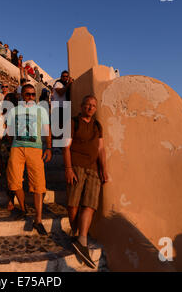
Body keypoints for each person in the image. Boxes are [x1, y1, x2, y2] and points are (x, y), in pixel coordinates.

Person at [63, 95, 109, 268]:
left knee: (90, 204)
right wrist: (68, 168)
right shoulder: (73, 122)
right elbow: (66, 147)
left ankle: (82, 239)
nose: (90, 108)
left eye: (93, 106)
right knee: (73, 204)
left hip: (93, 169)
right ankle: (75, 233)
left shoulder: (97, 126)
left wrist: (103, 169)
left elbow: (101, 149)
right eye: (87, 105)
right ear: (81, 106)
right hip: (76, 166)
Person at [6, 84, 52, 235]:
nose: (31, 97)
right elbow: (8, 131)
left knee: (38, 184)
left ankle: (38, 220)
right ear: (21, 96)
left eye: (33, 95)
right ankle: (24, 209)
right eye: (28, 94)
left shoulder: (41, 110)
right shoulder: (14, 111)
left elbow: (47, 130)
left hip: (35, 149)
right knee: (14, 181)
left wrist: (49, 148)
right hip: (17, 148)